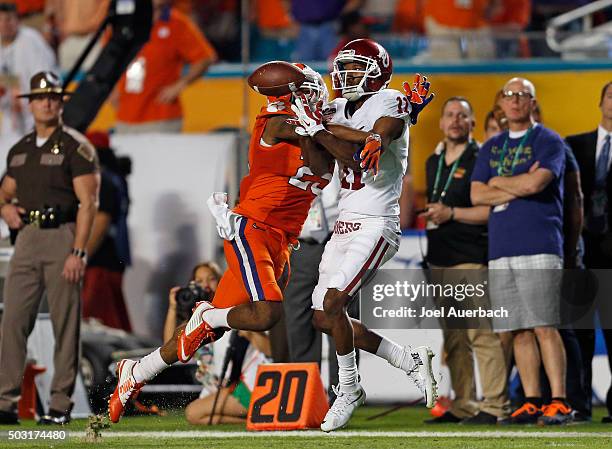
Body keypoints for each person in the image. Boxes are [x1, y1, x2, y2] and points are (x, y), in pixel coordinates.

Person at [108, 62, 335, 423]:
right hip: (253, 230)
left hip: (282, 241)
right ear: (289, 92)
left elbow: (327, 153)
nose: (315, 94)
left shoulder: (309, 125)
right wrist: (330, 127)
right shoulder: (278, 121)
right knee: (266, 314)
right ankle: (207, 314)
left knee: (206, 334)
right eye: (306, 89)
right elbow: (319, 146)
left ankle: (137, 372)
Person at [291, 38, 438, 431]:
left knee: (336, 301)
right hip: (343, 223)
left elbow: (369, 145)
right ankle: (406, 359)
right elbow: (321, 157)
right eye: (345, 67)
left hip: (377, 222)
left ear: (377, 71)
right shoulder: (336, 108)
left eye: (356, 67)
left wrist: (325, 130)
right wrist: (309, 130)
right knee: (324, 317)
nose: (347, 74)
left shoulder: (388, 100)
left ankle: (349, 388)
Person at [0, 71, 100, 425]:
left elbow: (89, 202)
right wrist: (6, 208)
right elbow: (4, 191)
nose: (47, 102)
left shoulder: (76, 146)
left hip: (62, 235)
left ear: (61, 103)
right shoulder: (21, 149)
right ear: (30, 104)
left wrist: (78, 251)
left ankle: (60, 404)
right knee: (12, 320)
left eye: (53, 97)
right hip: (27, 238)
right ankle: (6, 401)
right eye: (41, 97)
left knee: (65, 323)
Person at [471, 77, 570, 425]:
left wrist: (498, 183)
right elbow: (476, 195)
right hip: (501, 247)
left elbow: (537, 182)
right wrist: (515, 185)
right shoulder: (492, 146)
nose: (515, 101)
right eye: (509, 95)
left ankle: (558, 400)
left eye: (522, 96)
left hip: (539, 242)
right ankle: (530, 400)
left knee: (544, 324)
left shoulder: (549, 140)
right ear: (501, 103)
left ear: (532, 102)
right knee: (517, 330)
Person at [422, 97, 508, 425]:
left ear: (472, 123)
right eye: (450, 115)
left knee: (480, 333)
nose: (455, 120)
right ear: (442, 123)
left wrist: (452, 213)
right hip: (440, 258)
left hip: (471, 257)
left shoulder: (484, 157)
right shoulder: (433, 160)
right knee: (454, 339)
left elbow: (492, 211)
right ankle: (464, 404)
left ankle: (495, 404)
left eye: (462, 115)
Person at [565, 81, 612, 423]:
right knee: (579, 334)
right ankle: (578, 404)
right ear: (600, 102)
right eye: (611, 95)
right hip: (580, 254)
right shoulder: (575, 145)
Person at [113, 0, 217, 133]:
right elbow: (108, 56)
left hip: (162, 117)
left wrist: (180, 85)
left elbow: (205, 58)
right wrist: (111, 90)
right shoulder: (124, 22)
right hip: (124, 116)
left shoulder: (177, 23)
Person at [80, 131, 132, 331]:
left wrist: (82, 256)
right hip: (112, 258)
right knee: (113, 319)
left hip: (99, 261)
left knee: (98, 322)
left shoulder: (101, 181)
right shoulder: (116, 179)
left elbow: (101, 222)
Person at [0, 1, 56, 158]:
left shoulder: (31, 41)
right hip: (9, 119)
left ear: (17, 21)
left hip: (34, 114)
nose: (5, 25)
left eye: (9, 20)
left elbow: (45, 80)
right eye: (1, 20)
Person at [184, 330, 272, 425]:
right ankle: (252, 421)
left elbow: (271, 351)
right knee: (193, 414)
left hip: (252, 387)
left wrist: (250, 332)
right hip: (234, 385)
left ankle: (254, 420)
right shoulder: (219, 323)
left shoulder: (256, 321)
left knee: (193, 413)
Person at [163, 261, 221, 343]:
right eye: (199, 281)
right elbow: (168, 345)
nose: (205, 285)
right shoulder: (193, 317)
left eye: (211, 279)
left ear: (220, 281)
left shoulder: (226, 311)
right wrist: (172, 308)